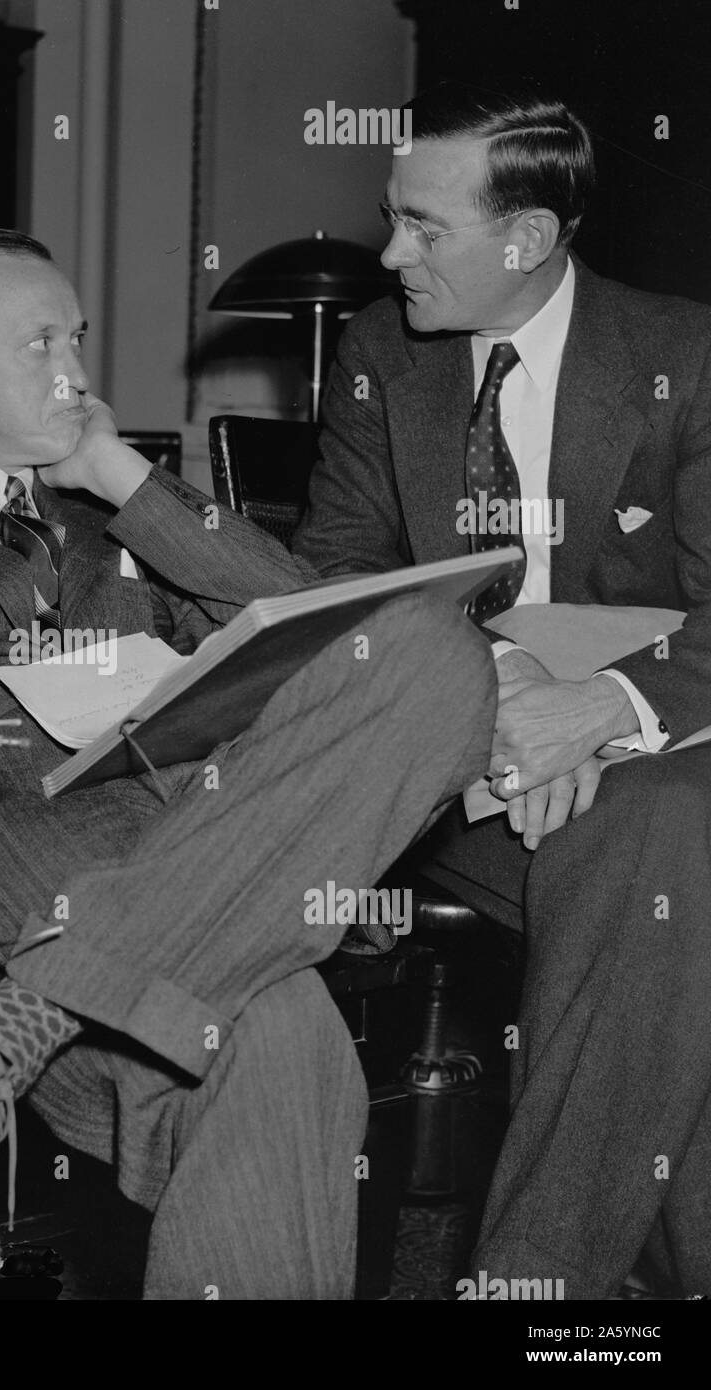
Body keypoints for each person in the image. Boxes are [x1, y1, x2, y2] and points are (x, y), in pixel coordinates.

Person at [0, 226, 495, 1298]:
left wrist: (120, 472)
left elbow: (321, 630)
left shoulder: (119, 519)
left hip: (158, 863)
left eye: (78, 338)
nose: (77, 370)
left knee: (433, 651)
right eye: (40, 341)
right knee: (281, 1009)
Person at [293, 81, 711, 1299]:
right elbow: (342, 581)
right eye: (392, 217)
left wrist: (602, 709)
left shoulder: (685, 356)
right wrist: (512, 684)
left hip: (665, 758)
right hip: (459, 774)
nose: (387, 253)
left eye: (424, 228)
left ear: (526, 240)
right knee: (672, 860)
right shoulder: (381, 355)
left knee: (660, 827)